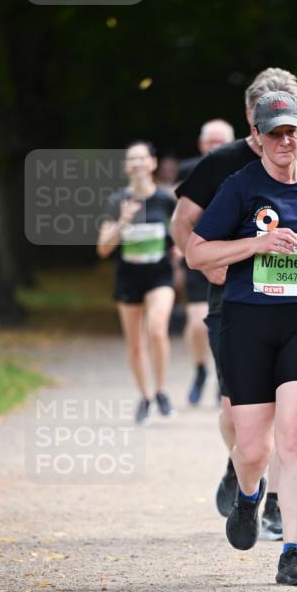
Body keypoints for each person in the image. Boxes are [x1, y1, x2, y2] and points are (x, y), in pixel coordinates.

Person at [185, 91, 297, 586]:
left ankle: (294, 552)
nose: (284, 140)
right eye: (273, 133)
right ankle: (248, 495)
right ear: (258, 137)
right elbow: (197, 254)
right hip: (248, 323)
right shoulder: (240, 186)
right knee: (252, 449)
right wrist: (257, 243)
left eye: (291, 131)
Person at [97, 141, 177, 424]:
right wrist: (122, 222)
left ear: (153, 163)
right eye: (132, 159)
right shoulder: (117, 200)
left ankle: (161, 391)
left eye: (142, 158)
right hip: (128, 278)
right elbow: (103, 248)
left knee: (156, 329)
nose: (138, 164)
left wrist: (179, 247)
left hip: (160, 276)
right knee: (134, 344)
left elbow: (183, 229)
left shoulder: (167, 199)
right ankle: (144, 397)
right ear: (126, 166)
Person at [178, 120, 236, 406]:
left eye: (222, 142)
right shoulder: (190, 171)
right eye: (211, 142)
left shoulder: (242, 170)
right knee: (198, 322)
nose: (216, 147)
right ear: (202, 145)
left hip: (230, 256)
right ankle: (201, 369)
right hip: (197, 257)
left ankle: (223, 377)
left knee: (229, 323)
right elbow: (176, 216)